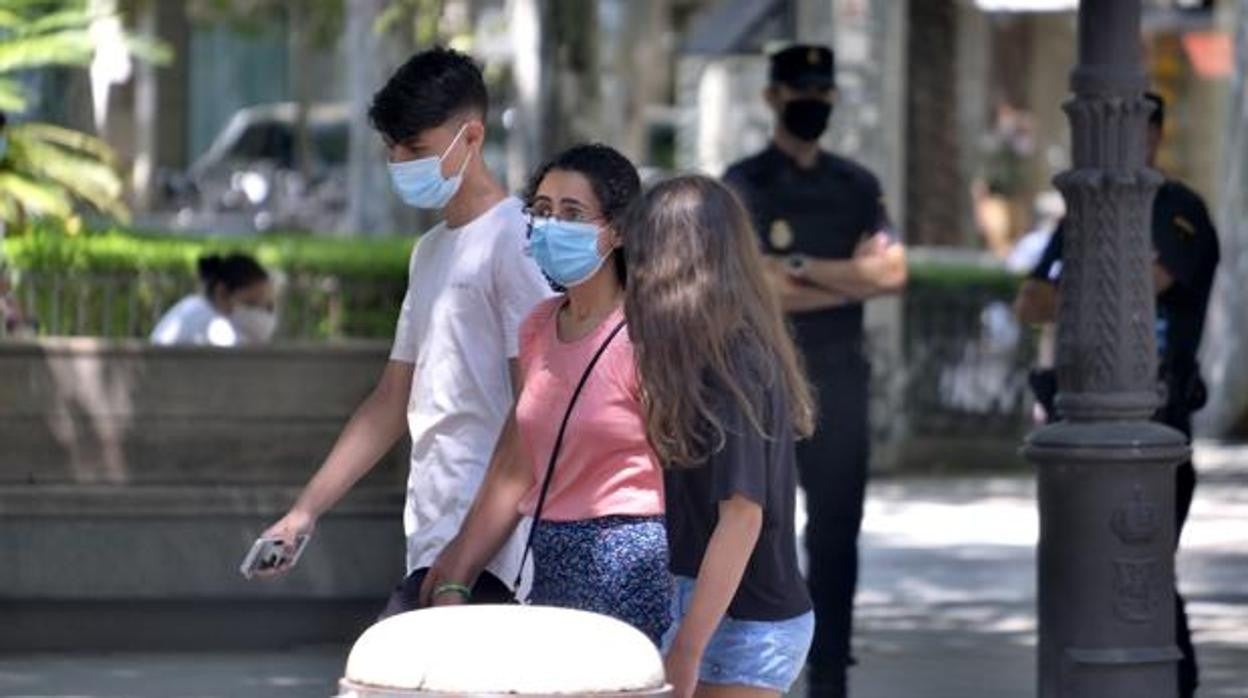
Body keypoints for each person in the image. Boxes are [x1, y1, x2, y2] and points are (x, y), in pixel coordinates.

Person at [257, 48, 552, 614]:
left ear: (471, 137)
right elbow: (393, 399)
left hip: (497, 554)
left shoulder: (515, 241)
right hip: (432, 538)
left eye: (415, 148)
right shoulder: (430, 251)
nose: (400, 163)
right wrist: (304, 512)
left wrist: (462, 566)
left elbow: (533, 410)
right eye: (392, 149)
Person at [421, 144, 669, 645]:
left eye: (572, 214)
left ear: (617, 231)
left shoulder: (650, 333)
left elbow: (689, 470)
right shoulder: (538, 327)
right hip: (550, 557)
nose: (552, 225)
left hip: (630, 561)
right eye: (541, 210)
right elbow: (518, 466)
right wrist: (457, 569)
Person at [1014, 92, 1219, 698]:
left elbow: (1147, 284)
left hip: (1161, 419)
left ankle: (1176, 682)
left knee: (1145, 568)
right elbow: (1030, 301)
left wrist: (1076, 289)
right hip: (1076, 418)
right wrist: (1098, 288)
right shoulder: (1079, 215)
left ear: (1154, 134)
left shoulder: (1180, 209)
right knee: (1086, 570)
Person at [721, 44, 907, 697]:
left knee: (836, 528)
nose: (813, 104)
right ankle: (749, 665)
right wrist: (849, 280)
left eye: (823, 94)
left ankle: (830, 670)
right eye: (801, 92)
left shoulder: (857, 186)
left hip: (838, 372)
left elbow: (894, 273)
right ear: (773, 96)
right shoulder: (742, 184)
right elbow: (753, 287)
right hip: (762, 375)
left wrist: (799, 270)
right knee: (752, 519)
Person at [622, 175, 816, 698]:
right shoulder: (701, 355)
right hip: (706, 603)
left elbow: (742, 516)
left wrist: (688, 647)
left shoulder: (737, 362)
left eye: (642, 253)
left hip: (751, 619)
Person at [150, 252, 276, 346]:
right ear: (222, 293)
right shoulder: (216, 328)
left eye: (268, 307)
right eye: (251, 304)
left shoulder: (190, 306)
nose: (261, 315)